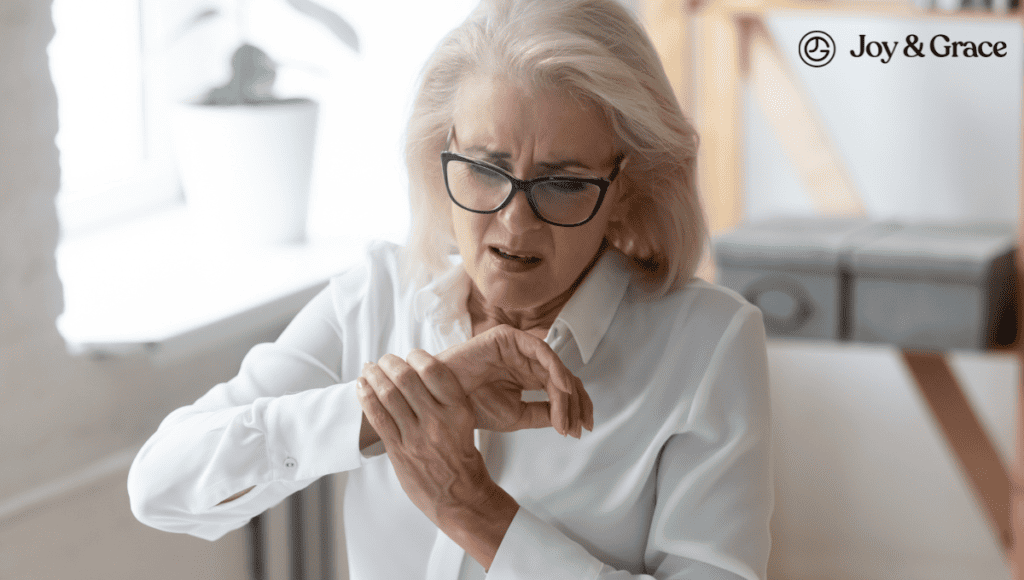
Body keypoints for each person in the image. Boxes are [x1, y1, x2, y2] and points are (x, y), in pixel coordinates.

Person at [127, 0, 773, 578]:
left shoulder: (708, 344)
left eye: (563, 182)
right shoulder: (378, 295)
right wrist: (383, 411)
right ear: (443, 152)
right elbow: (159, 484)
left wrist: (477, 513)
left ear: (623, 186)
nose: (514, 223)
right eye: (487, 169)